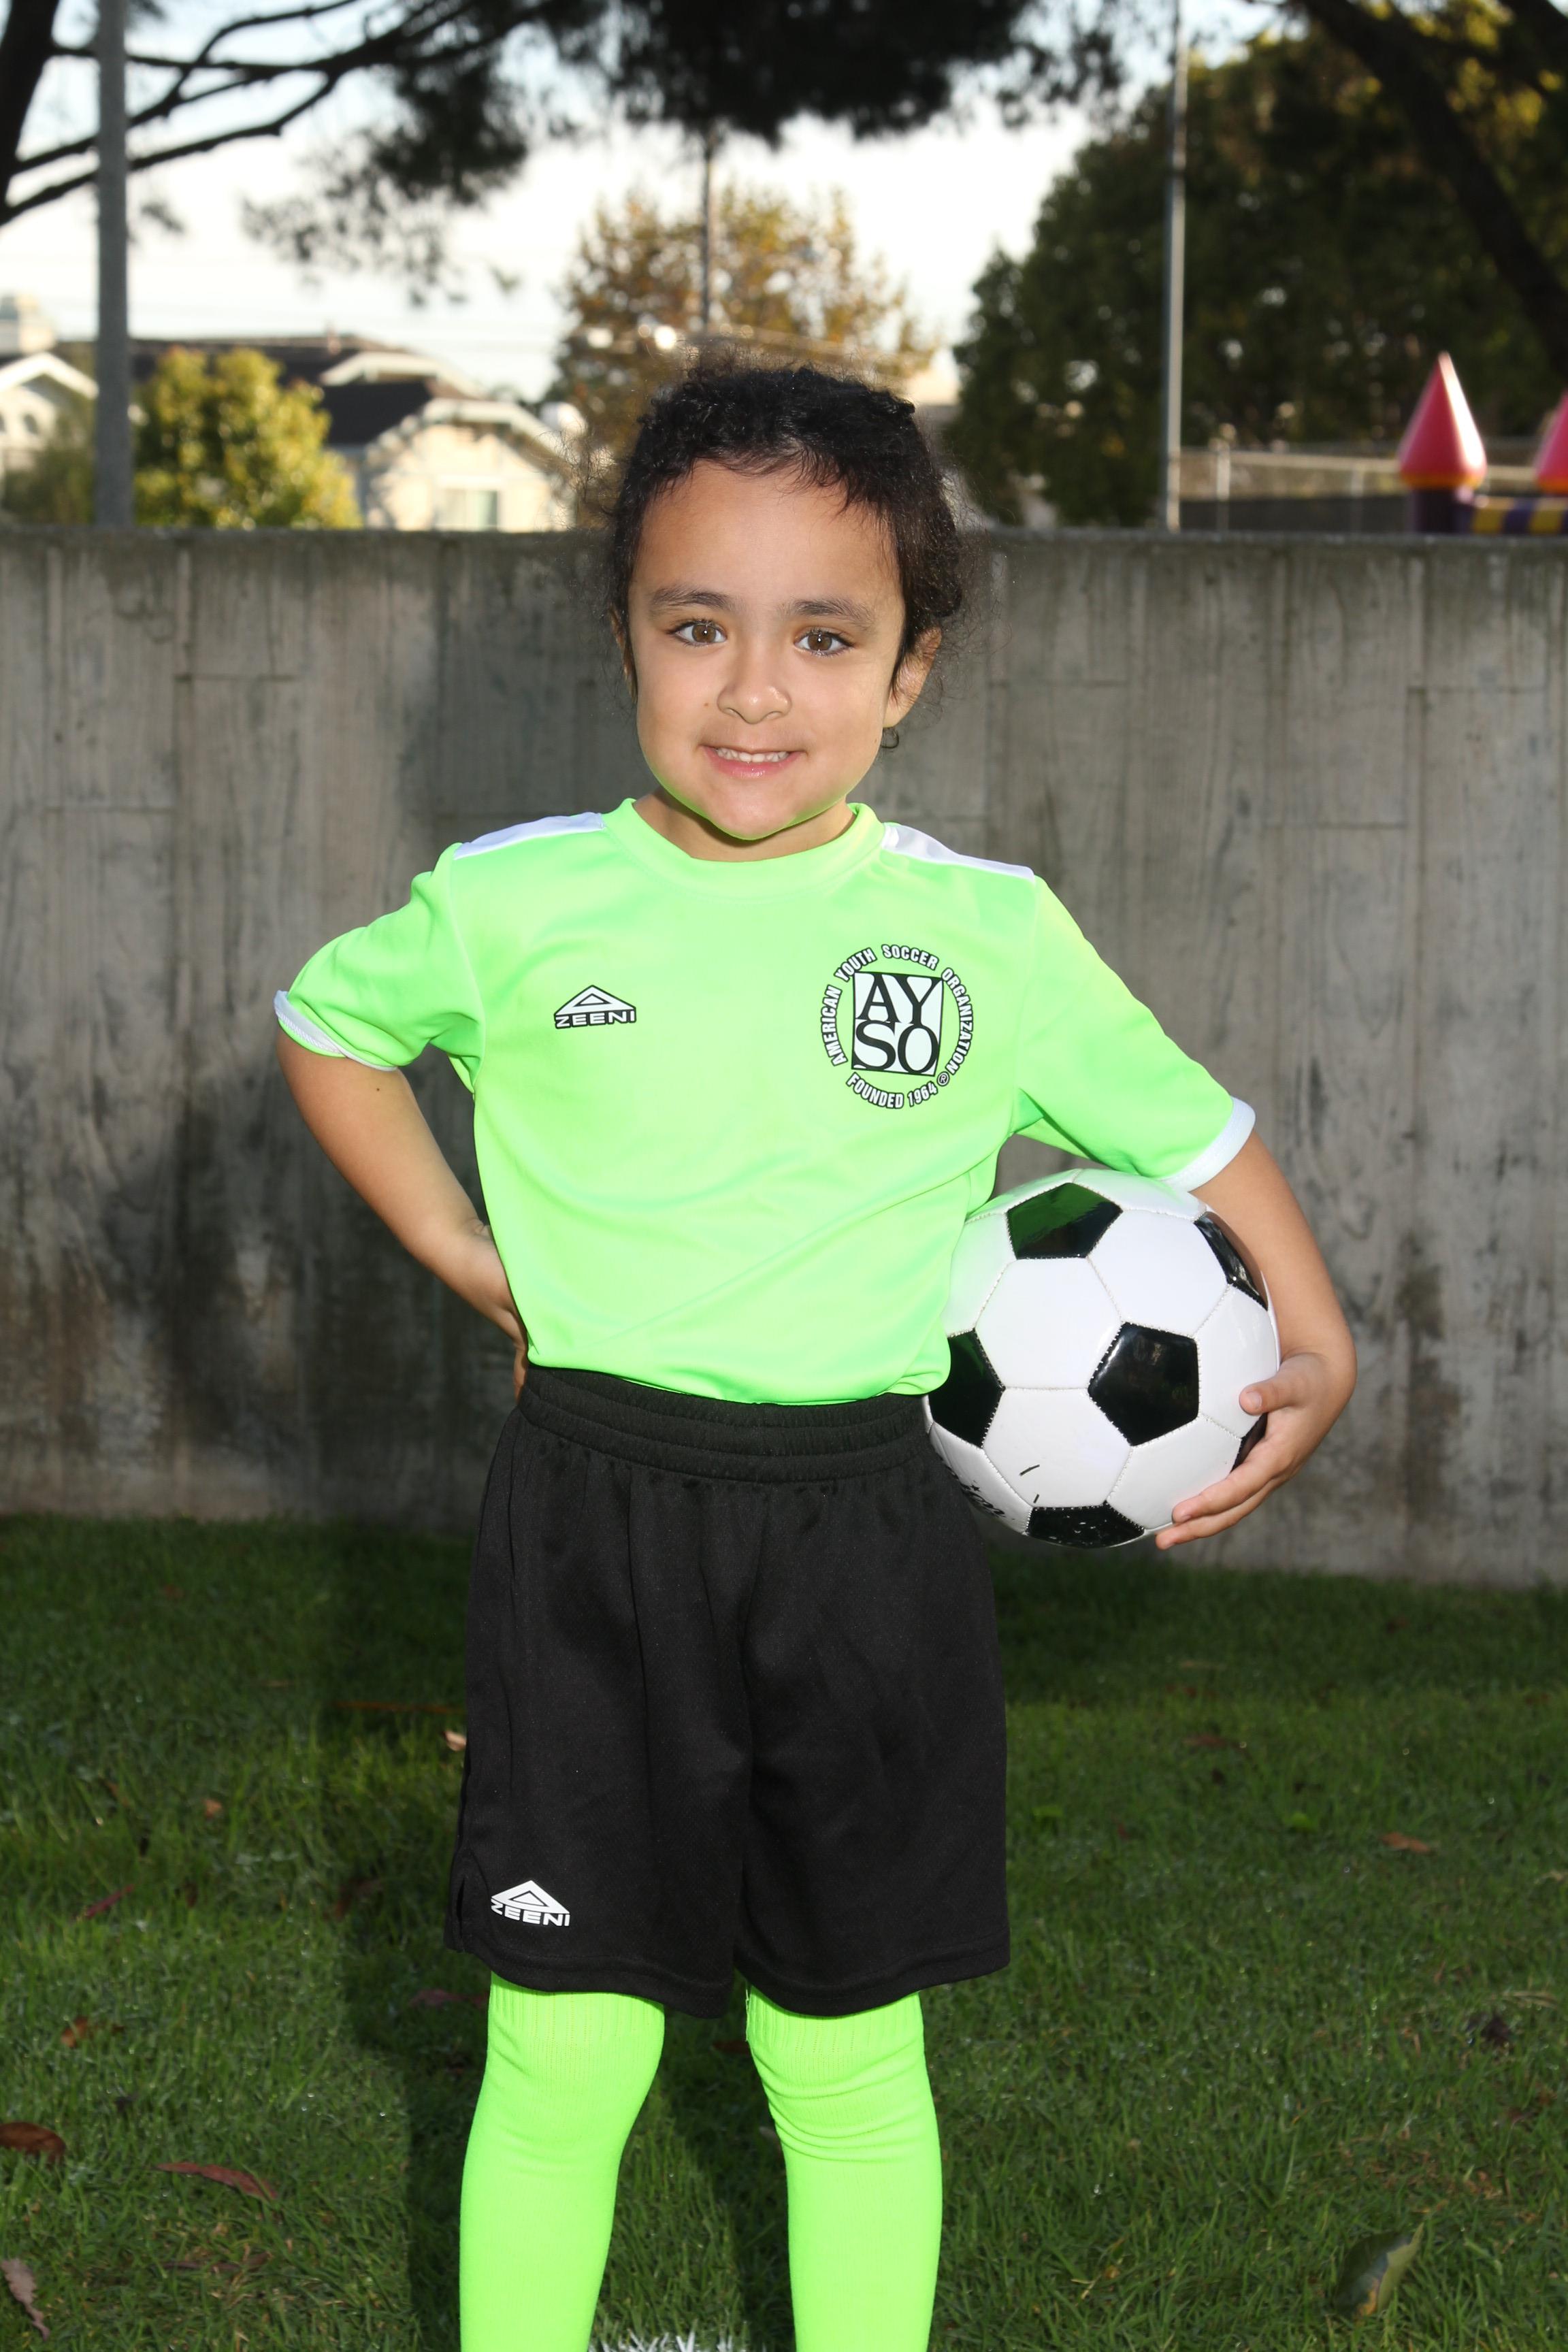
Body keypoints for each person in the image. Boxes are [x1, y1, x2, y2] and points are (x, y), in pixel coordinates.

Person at [275, 361, 1356, 2352]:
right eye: (699, 626)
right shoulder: (517, 902)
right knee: (563, 2050)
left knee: (845, 2057)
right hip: (589, 1535)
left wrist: (1319, 1328)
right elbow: (333, 1025)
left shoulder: (989, 936)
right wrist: (459, 1249)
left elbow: (1193, 1131)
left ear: (911, 670)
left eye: (825, 637)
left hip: (867, 1546)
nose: (755, 691)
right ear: (625, 635)